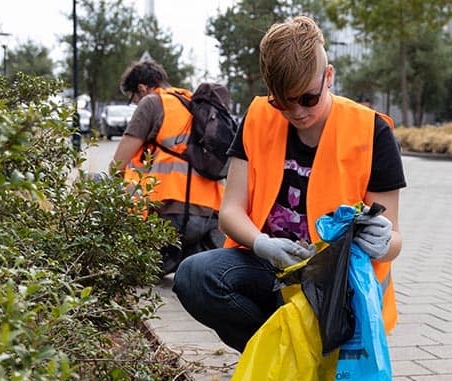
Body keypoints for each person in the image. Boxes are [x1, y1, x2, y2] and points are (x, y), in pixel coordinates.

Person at [173, 16, 406, 352]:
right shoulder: (257, 118)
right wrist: (262, 243)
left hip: (338, 287)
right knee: (195, 276)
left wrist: (382, 241)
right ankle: (280, 358)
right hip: (273, 268)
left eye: (308, 98)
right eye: (283, 101)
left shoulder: (371, 132)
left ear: (329, 77)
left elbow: (394, 240)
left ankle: (312, 359)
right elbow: (231, 211)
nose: (297, 112)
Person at [110, 60, 225, 275]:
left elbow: (118, 163)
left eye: (133, 99)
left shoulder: (152, 103)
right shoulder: (193, 102)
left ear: (142, 88)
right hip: (210, 216)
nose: (136, 104)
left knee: (101, 183)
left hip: (170, 215)